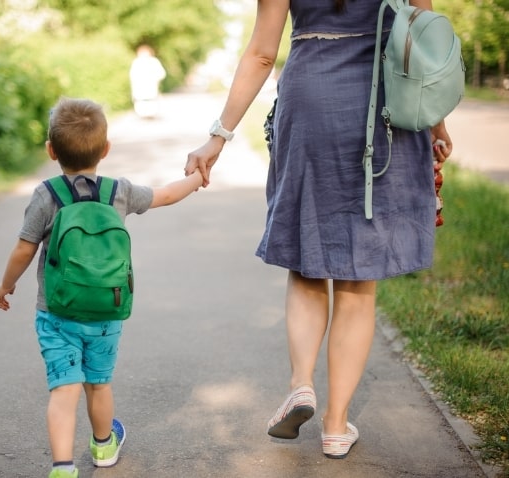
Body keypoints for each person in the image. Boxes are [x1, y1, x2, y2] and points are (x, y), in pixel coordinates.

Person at [185, 0, 453, 460]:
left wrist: (218, 136)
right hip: (383, 103)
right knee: (358, 273)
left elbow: (262, 54)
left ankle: (301, 383)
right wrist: (436, 126)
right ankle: (334, 426)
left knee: (309, 258)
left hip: (310, 99)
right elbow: (422, 41)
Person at [0, 97, 203, 478]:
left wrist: (6, 286)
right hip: (107, 311)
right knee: (99, 384)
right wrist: (197, 177)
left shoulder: (47, 194)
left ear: (50, 150)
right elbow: (167, 195)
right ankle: (104, 447)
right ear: (105, 150)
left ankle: (62, 468)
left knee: (64, 390)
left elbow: (24, 248)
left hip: (57, 312)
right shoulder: (117, 192)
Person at [129, 44, 167, 118]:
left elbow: (161, 73)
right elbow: (132, 75)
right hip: (139, 87)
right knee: (141, 103)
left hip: (151, 87)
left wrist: (155, 78)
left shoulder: (154, 61)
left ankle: (150, 115)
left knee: (151, 103)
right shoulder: (136, 62)